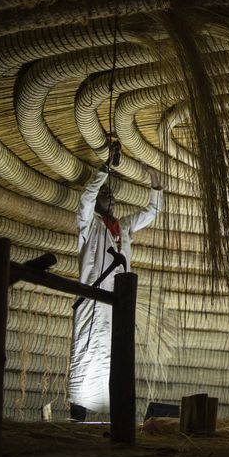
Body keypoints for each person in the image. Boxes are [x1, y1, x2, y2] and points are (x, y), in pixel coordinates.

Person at [68, 157, 163, 420]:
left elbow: (152, 212)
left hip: (118, 303)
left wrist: (156, 183)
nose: (110, 197)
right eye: (104, 194)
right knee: (85, 353)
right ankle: (76, 418)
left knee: (114, 357)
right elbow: (85, 199)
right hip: (92, 299)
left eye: (111, 194)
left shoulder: (123, 228)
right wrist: (104, 170)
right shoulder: (89, 225)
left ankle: (112, 419)